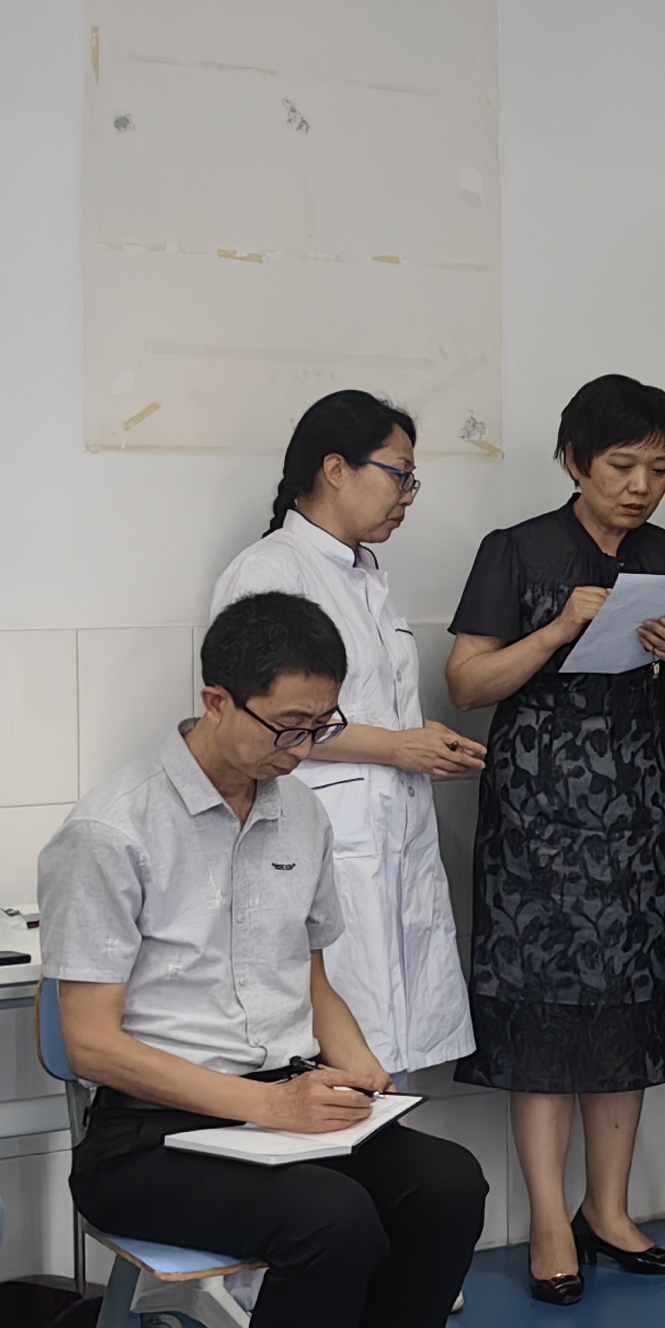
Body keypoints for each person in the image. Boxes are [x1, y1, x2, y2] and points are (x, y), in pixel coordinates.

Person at [46, 592, 491, 1328]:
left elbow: (313, 976)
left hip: (281, 1106)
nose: (302, 749)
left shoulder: (299, 811)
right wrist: (268, 1106)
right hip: (148, 1135)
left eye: (320, 727)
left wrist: (354, 1059)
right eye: (287, 727)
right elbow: (89, 1045)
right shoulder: (113, 828)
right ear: (218, 700)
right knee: (329, 1219)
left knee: (447, 1184)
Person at [444, 375, 665, 1307]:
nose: (642, 485)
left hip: (642, 806)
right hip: (537, 813)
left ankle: (609, 1209)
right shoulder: (517, 551)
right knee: (545, 1007)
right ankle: (550, 1222)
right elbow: (467, 684)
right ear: (573, 461)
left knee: (628, 1000)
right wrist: (561, 628)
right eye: (621, 466)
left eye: (659, 468)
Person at [210, 390, 483, 1079]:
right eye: (398, 475)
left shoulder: (363, 574)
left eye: (412, 480)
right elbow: (262, 722)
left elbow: (365, 708)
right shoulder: (271, 571)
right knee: (333, 1052)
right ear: (336, 469)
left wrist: (418, 740)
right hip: (319, 837)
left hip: (391, 839)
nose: (407, 496)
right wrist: (400, 747)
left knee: (386, 1055)